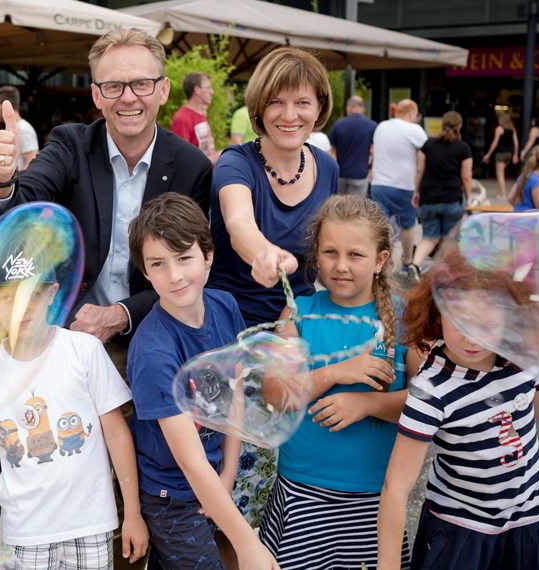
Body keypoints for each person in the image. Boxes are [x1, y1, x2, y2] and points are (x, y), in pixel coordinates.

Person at [0, 28, 212, 347]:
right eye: (114, 86)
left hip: (154, 336)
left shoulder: (191, 166)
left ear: (163, 90)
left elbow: (194, 268)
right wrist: (3, 179)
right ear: (96, 95)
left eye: (141, 84)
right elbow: (21, 207)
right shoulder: (70, 145)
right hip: (65, 334)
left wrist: (121, 314)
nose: (128, 97)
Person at [0, 236, 148, 567]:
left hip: (91, 523)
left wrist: (133, 514)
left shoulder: (84, 351)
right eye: (6, 299)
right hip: (25, 532)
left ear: (51, 293)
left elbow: (116, 434)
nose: (20, 309)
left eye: (31, 295)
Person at [208, 46, 338, 529]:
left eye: (303, 102)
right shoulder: (235, 163)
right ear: (259, 106)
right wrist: (262, 252)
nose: (290, 115)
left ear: (319, 106)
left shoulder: (326, 167)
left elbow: (329, 251)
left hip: (295, 334)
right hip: (233, 339)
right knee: (238, 484)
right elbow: (238, 223)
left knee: (292, 478)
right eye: (277, 103)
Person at [258, 195, 417, 570]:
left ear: (380, 260)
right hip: (302, 494)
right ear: (316, 253)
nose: (341, 266)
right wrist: (336, 372)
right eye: (330, 252)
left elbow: (429, 401)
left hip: (374, 498)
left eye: (356, 255)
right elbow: (273, 393)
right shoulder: (299, 312)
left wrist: (367, 405)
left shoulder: (404, 316)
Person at [377, 249, 539, 570]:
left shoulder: (521, 359)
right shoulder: (432, 388)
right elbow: (397, 487)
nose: (472, 337)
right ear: (438, 312)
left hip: (530, 520)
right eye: (461, 321)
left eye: (487, 324)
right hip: (460, 531)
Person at [125, 193, 278, 570]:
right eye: (158, 264)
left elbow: (235, 393)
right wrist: (249, 545)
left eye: (184, 258)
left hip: (216, 476)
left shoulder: (225, 306)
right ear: (145, 272)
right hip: (173, 497)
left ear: (208, 254)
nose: (174, 276)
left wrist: (227, 474)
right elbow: (189, 461)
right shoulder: (153, 353)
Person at [405, 111, 472, 283]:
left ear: (442, 125)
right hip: (452, 198)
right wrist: (469, 198)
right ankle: (449, 273)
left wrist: (416, 191)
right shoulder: (463, 148)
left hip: (429, 198)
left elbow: (420, 170)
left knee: (430, 237)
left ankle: (415, 264)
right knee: (451, 238)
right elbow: (466, 177)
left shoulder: (428, 145)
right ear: (460, 126)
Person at [370, 99, 428, 271]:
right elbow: (428, 151)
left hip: (379, 184)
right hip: (404, 185)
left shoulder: (381, 126)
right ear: (412, 113)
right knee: (408, 225)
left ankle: (384, 261)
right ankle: (407, 261)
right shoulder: (414, 129)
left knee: (382, 225)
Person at [328, 95, 377, 197]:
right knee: (357, 207)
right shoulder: (372, 126)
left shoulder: (338, 125)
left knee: (339, 207)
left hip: (340, 174)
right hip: (360, 174)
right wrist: (371, 170)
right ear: (362, 108)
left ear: (349, 107)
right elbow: (374, 151)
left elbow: (331, 150)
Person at [0, 85, 39, 170]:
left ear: (5, 105)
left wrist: (21, 182)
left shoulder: (24, 129)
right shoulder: (16, 127)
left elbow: (31, 163)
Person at [170, 72, 217, 160]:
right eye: (208, 88)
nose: (212, 92)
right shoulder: (182, 118)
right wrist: (213, 159)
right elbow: (182, 158)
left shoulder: (201, 114)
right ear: (197, 90)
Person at [482, 112, 520, 200]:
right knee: (502, 173)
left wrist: (488, 154)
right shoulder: (512, 129)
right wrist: (515, 154)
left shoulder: (499, 129)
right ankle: (501, 192)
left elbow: (495, 143)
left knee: (500, 174)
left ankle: (502, 194)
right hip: (509, 154)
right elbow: (516, 143)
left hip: (501, 153)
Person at [510, 144, 539, 212]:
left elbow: (510, 198)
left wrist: (519, 208)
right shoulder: (536, 181)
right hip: (529, 219)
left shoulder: (522, 176)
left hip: (517, 217)